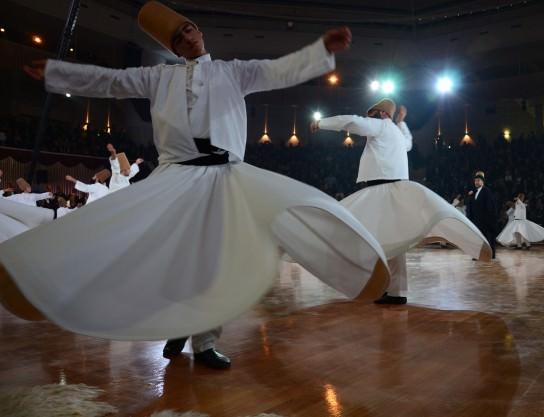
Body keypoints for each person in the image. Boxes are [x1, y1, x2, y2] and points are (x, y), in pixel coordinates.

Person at [0, 1, 389, 369]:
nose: (187, 38)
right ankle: (175, 324)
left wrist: (321, 50)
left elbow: (279, 70)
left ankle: (204, 341)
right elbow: (109, 81)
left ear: (198, 32)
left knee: (214, 258)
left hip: (224, 175)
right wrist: (56, 73)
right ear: (172, 47)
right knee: (174, 255)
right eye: (178, 38)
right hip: (177, 175)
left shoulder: (233, 71)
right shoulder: (158, 77)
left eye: (189, 30)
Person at [312, 98, 490, 304]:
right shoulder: (396, 132)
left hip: (382, 189)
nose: (370, 117)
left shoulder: (380, 126)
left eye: (374, 113)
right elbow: (408, 142)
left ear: (382, 114)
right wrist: (402, 121)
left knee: (365, 231)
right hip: (395, 188)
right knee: (392, 240)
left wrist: (321, 123)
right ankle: (394, 291)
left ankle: (378, 285)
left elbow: (352, 121)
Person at [466, 171, 498, 259]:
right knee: (476, 239)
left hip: (485, 221)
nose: (476, 182)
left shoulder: (486, 191)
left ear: (482, 182)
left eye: (478, 180)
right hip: (476, 221)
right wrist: (469, 197)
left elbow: (490, 207)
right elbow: (470, 206)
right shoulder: (473, 192)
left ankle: (490, 254)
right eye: (475, 181)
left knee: (487, 239)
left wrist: (488, 220)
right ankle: (477, 254)